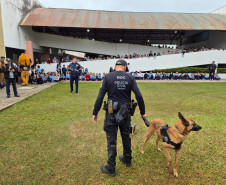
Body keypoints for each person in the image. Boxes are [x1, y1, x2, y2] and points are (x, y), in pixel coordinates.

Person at [92, 59, 146, 177]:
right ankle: (127, 159)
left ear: (115, 66)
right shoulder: (130, 78)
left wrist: (95, 112)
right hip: (125, 112)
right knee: (126, 136)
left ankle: (111, 167)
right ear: (125, 67)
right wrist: (143, 112)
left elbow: (100, 96)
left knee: (112, 140)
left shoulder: (107, 77)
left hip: (111, 111)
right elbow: (139, 96)